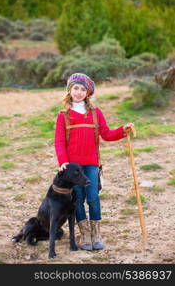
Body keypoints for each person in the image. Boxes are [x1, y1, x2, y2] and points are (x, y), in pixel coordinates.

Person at [54, 73, 134, 251]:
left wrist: (122, 130)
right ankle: (85, 234)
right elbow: (59, 141)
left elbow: (106, 134)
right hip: (73, 168)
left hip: (91, 164)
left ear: (88, 93)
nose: (79, 92)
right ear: (70, 90)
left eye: (83, 89)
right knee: (78, 198)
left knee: (93, 197)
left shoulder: (95, 113)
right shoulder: (64, 116)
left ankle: (96, 233)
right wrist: (63, 162)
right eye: (76, 88)